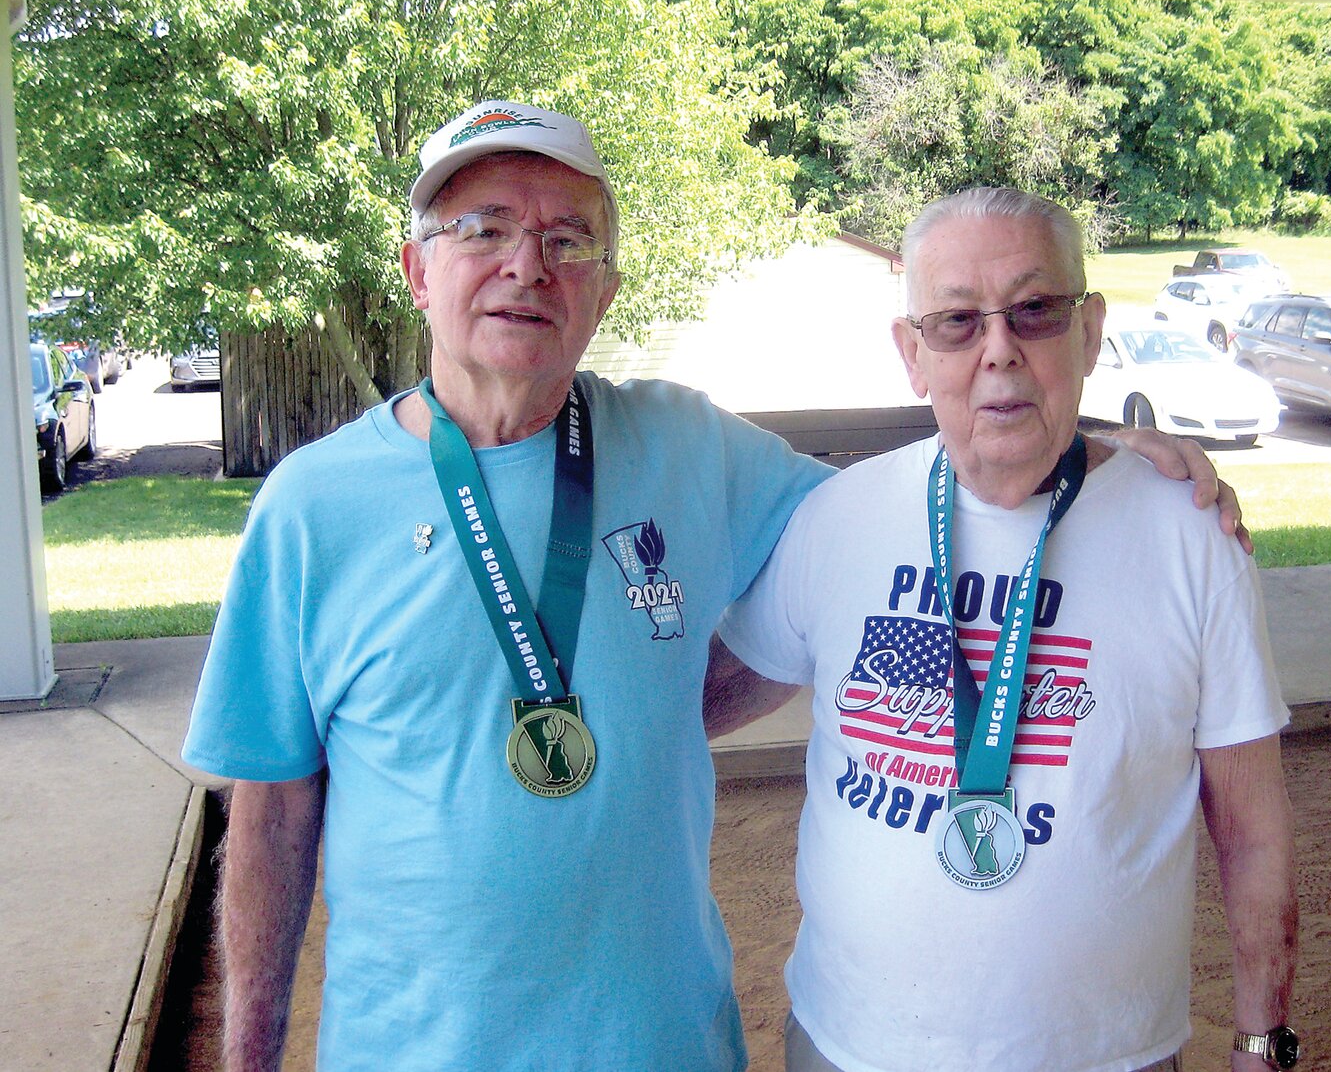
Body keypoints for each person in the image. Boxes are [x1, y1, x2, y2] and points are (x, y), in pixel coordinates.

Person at [182, 102, 1244, 1072]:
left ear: (603, 286)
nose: (527, 266)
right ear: (418, 271)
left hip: (664, 1046)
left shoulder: (685, 444)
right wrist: (246, 1062)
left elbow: (899, 510)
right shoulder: (310, 509)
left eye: (566, 241)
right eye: (485, 229)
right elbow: (270, 819)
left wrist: (1083, 450)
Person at [716, 187, 1299, 1072]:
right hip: (850, 1048)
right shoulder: (836, 520)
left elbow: (1253, 831)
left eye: (1034, 311)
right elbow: (704, 696)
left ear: (1090, 332)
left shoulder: (1192, 538)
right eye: (956, 321)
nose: (999, 350)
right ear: (912, 353)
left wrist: (1263, 1041)